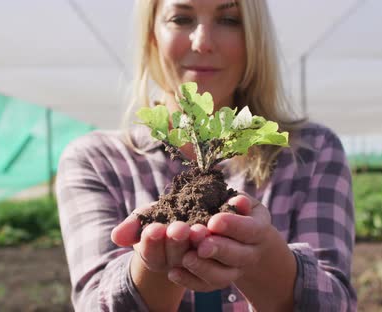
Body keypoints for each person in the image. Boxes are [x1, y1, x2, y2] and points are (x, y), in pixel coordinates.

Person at [55, 0, 357, 311]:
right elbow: (94, 303)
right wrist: (152, 265)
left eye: (228, 19)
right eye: (181, 18)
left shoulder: (311, 152)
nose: (202, 42)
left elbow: (334, 303)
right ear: (151, 35)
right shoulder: (97, 160)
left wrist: (261, 253)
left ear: (255, 37)